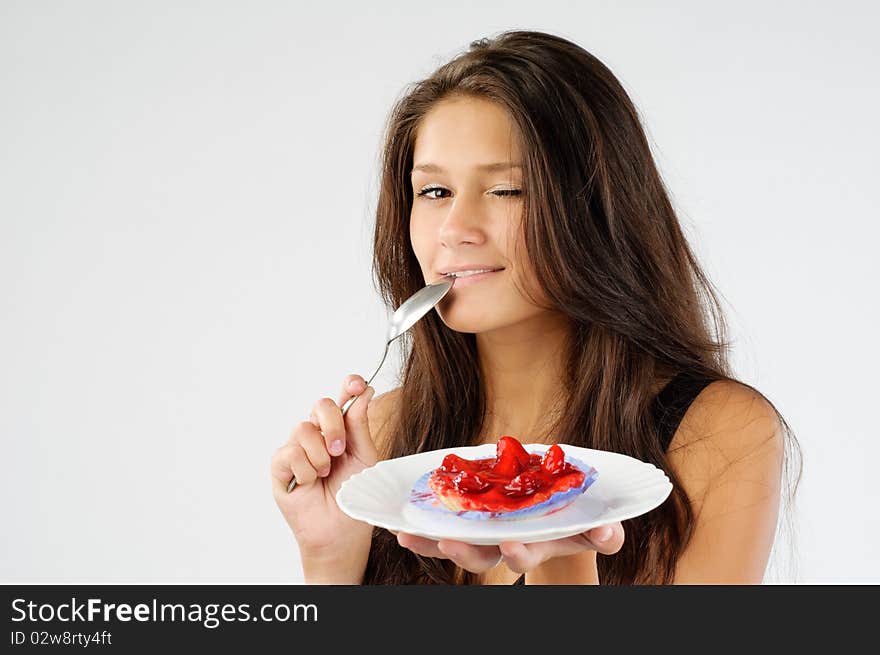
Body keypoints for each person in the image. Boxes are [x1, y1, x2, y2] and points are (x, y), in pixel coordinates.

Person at [270, 30, 802, 585]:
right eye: (433, 193)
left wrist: (564, 558)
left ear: (595, 210)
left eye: (506, 191)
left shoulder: (718, 432)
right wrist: (330, 556)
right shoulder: (381, 435)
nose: (454, 230)